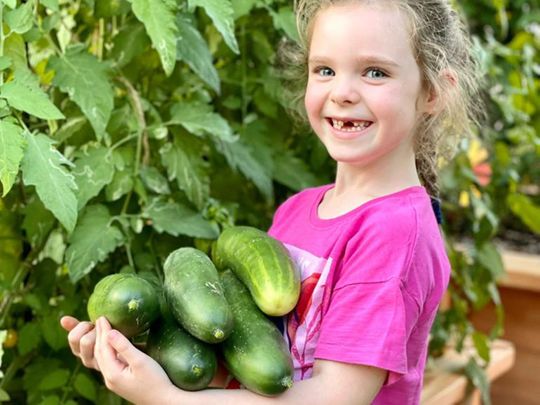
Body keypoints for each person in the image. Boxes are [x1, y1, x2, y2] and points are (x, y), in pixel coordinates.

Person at [60, 0, 483, 403]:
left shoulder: (393, 232)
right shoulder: (297, 211)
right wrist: (134, 350)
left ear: (433, 92)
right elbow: (251, 359)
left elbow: (336, 397)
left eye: (374, 72)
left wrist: (166, 399)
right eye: (325, 70)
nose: (342, 92)